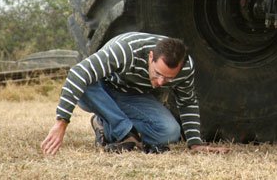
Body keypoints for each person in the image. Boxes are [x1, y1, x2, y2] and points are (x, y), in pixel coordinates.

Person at [41, 32, 228, 155]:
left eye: (169, 79)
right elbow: (78, 73)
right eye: (158, 74)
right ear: (151, 57)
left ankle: (105, 126)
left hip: (135, 97)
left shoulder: (186, 68)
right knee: (85, 84)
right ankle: (125, 132)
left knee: (170, 132)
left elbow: (187, 101)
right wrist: (61, 122)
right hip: (103, 91)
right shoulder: (126, 50)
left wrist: (195, 143)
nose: (161, 83)